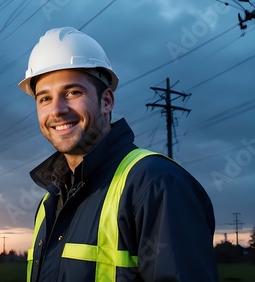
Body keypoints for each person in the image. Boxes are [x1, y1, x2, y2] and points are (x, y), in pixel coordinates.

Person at [18, 27, 218, 282]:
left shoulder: (155, 184)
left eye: (72, 93)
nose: (56, 110)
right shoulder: (50, 202)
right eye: (44, 99)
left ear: (107, 102)